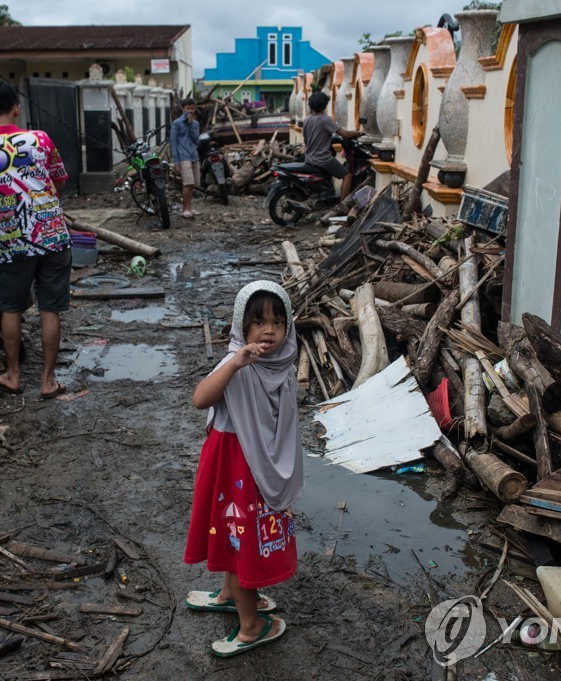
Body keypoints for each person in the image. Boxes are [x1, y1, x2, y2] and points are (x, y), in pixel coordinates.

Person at [183, 280, 304, 657]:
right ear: (241, 325)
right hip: (230, 463)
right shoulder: (236, 361)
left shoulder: (283, 364)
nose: (268, 331)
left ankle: (231, 595)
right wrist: (236, 363)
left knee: (238, 536)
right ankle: (251, 626)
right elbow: (200, 399)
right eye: (258, 322)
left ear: (289, 328)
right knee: (238, 537)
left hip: (255, 469)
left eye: (278, 322)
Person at [0, 79, 70, 400]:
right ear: (16, 108)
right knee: (50, 309)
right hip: (52, 235)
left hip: (12, 240)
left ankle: (13, 376)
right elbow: (59, 180)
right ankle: (48, 381)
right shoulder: (40, 139)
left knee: (11, 308)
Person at [303, 91, 363, 201]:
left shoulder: (307, 120)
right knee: (347, 176)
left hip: (309, 158)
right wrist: (359, 132)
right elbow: (344, 134)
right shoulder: (326, 119)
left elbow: (307, 140)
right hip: (322, 159)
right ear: (325, 104)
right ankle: (342, 205)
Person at [171, 97, 201, 219]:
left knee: (193, 184)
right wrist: (176, 161)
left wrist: (190, 124)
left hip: (194, 155)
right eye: (187, 108)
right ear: (182, 108)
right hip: (183, 156)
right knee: (187, 183)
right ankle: (185, 209)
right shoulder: (176, 123)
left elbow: (196, 139)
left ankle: (190, 207)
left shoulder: (195, 123)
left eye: (192, 108)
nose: (190, 111)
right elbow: (173, 142)